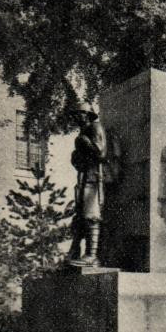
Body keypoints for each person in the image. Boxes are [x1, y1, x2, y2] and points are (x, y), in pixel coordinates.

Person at [69, 102, 107, 265]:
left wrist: (84, 141)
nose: (77, 117)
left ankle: (92, 255)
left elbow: (101, 152)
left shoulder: (95, 128)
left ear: (88, 114)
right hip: (83, 176)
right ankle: (75, 251)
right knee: (80, 216)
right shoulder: (84, 131)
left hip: (94, 176)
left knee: (91, 216)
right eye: (76, 114)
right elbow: (79, 160)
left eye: (80, 113)